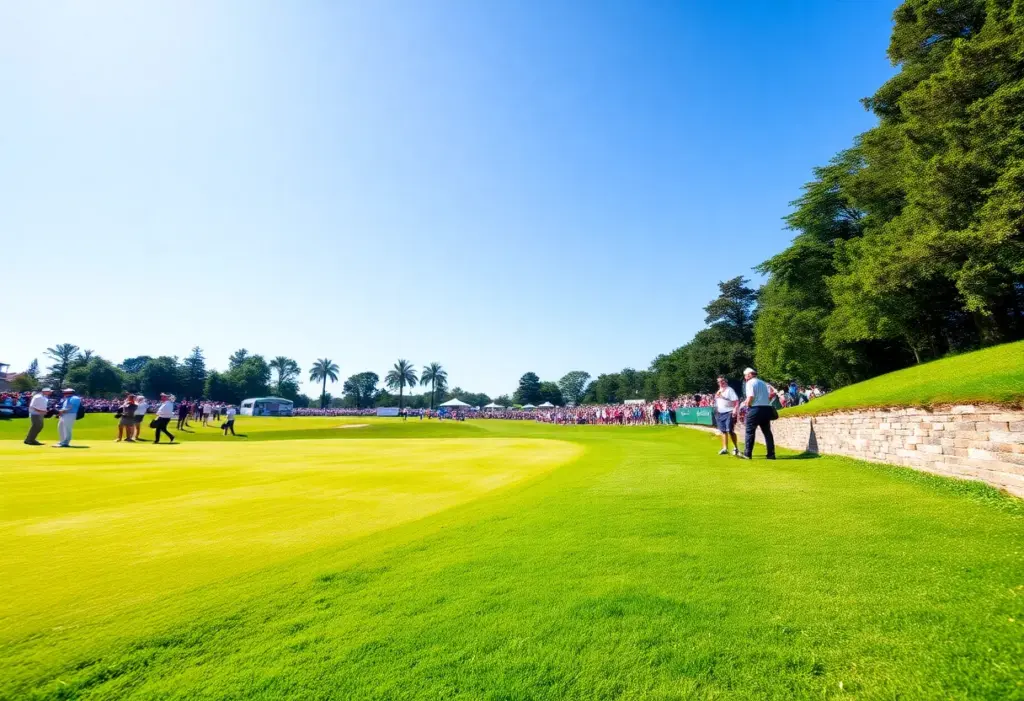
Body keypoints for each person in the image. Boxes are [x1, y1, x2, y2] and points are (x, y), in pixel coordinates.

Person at [740, 368, 777, 460]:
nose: (745, 377)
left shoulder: (750, 383)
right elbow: (768, 397)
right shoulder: (763, 383)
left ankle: (747, 454)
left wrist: (747, 405)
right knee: (767, 432)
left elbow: (751, 396)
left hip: (755, 409)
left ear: (749, 375)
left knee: (750, 432)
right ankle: (771, 454)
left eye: (745, 375)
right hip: (766, 408)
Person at [714, 376, 740, 456]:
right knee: (723, 431)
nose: (720, 383)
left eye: (722, 381)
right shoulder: (719, 391)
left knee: (730, 430)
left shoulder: (729, 390)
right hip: (720, 413)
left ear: (725, 381)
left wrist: (735, 409)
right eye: (719, 382)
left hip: (729, 412)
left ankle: (736, 448)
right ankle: (725, 448)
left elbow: (736, 401)